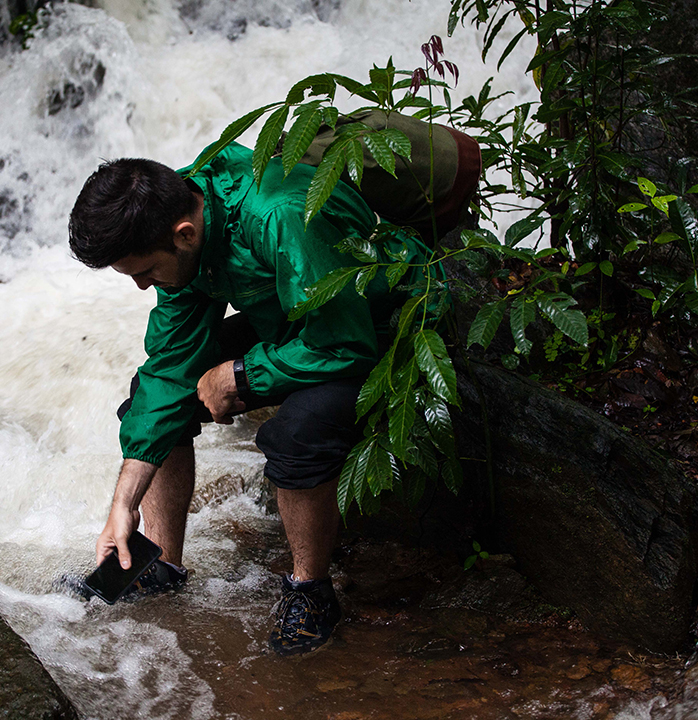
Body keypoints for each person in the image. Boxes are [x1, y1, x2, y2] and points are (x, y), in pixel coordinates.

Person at [67, 135, 457, 655]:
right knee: (151, 396)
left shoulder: (281, 216)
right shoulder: (181, 211)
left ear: (183, 236)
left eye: (144, 273)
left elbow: (344, 340)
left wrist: (242, 376)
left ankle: (311, 593)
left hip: (381, 323)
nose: (143, 287)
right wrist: (123, 505)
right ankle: (160, 564)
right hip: (293, 315)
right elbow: (168, 371)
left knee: (298, 432)